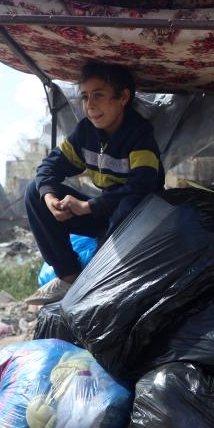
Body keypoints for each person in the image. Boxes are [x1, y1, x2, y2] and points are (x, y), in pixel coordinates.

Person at [24, 61, 164, 306]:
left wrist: (87, 207)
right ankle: (69, 277)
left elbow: (143, 187)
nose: (90, 105)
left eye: (98, 95)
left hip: (138, 220)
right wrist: (50, 198)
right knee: (34, 192)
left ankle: (99, 277)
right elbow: (49, 167)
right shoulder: (86, 133)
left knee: (130, 204)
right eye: (85, 97)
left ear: (123, 98)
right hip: (104, 213)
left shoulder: (139, 134)